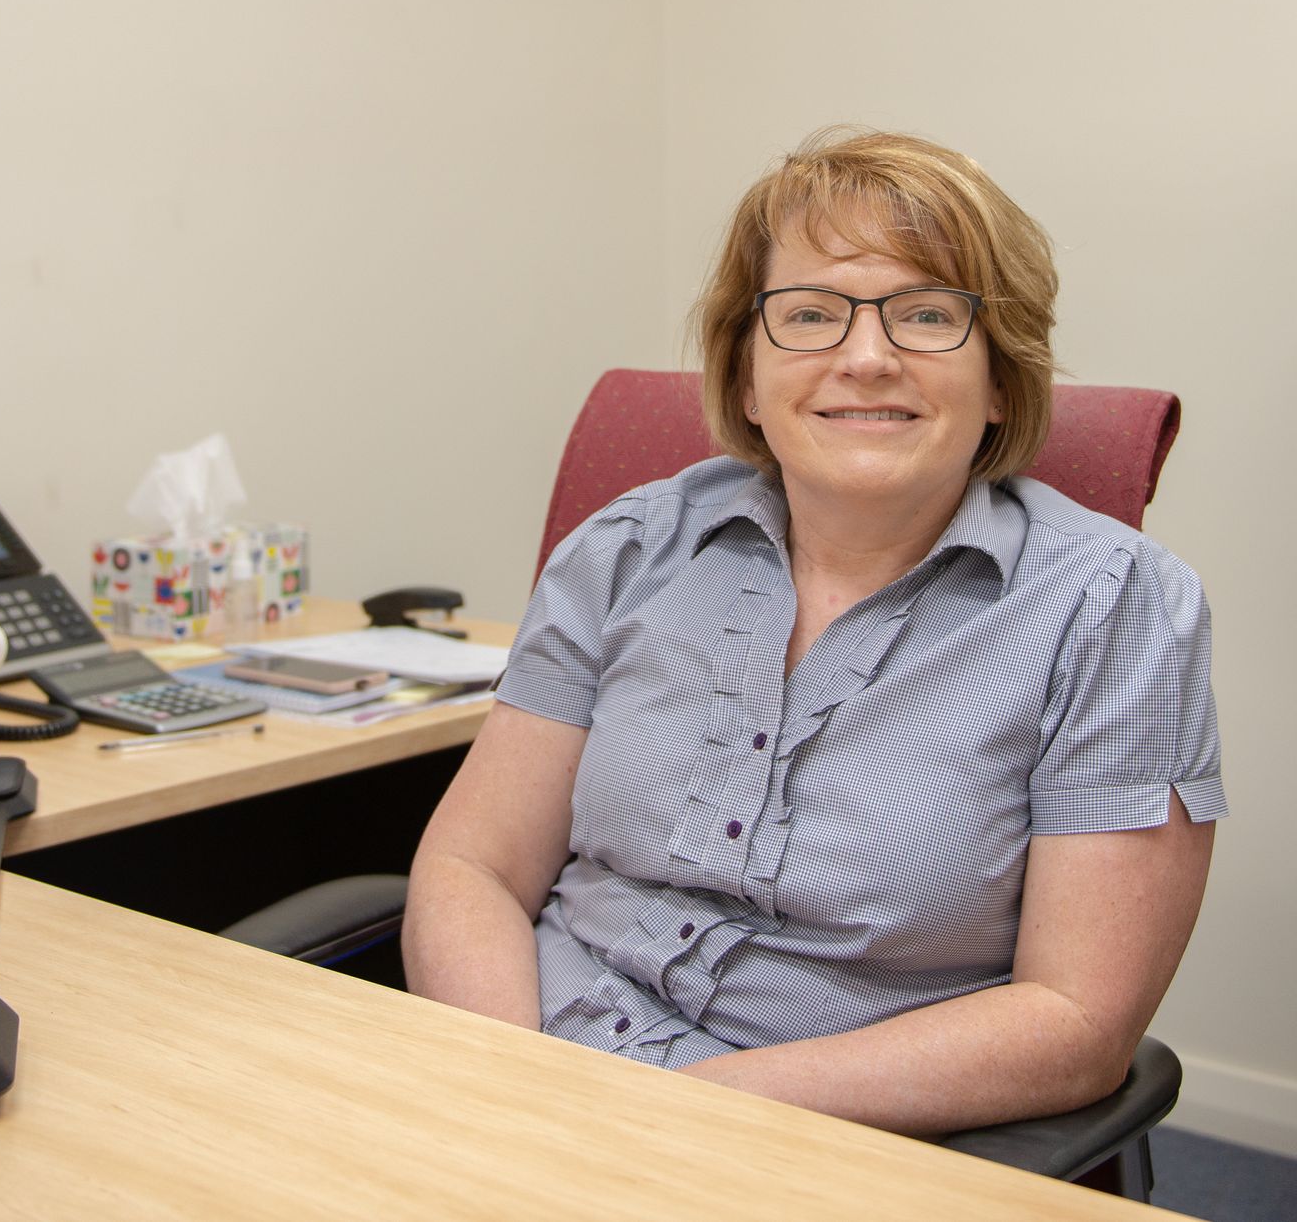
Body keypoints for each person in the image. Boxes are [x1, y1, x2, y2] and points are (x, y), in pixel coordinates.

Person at [402, 128, 1225, 1138]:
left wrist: (657, 1118)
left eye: (928, 314)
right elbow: (471, 868)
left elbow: (1076, 1020)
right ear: (747, 376)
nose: (867, 358)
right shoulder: (626, 548)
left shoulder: (1115, 607)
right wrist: (515, 1089)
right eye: (810, 316)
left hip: (820, 1142)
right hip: (518, 1078)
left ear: (1002, 376)